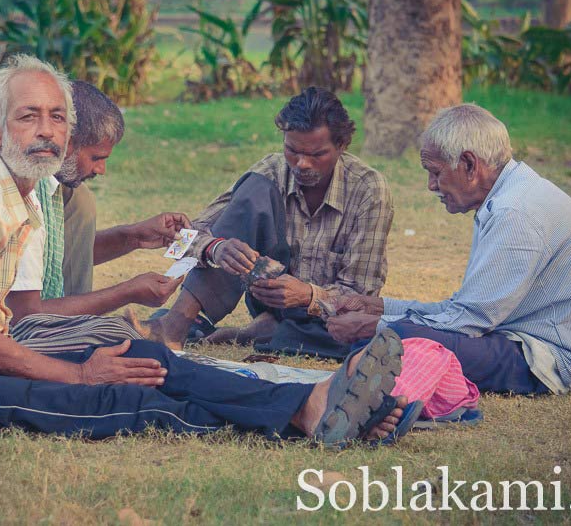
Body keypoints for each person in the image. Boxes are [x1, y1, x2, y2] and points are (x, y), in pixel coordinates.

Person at [0, 54, 405, 444]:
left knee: (142, 359)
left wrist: (137, 244)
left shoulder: (17, 189)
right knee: (127, 396)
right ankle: (301, 414)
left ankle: (309, 406)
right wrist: (80, 374)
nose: (47, 132)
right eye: (29, 117)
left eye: (57, 117)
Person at [324, 103, 571, 395]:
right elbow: (463, 309)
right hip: (520, 339)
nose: (430, 185)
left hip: (553, 362)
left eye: (435, 172)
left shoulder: (514, 213)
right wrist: (380, 306)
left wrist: (374, 325)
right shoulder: (508, 197)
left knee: (398, 337)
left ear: (470, 165)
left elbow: (467, 321)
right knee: (395, 334)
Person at [131, 87, 394, 359]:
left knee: (356, 336)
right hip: (268, 298)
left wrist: (307, 295)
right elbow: (183, 239)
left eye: (316, 155)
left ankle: (264, 331)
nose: (302, 164)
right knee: (255, 190)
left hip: (325, 318)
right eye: (292, 150)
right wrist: (215, 248)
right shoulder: (270, 170)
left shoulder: (369, 189)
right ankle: (175, 324)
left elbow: (361, 295)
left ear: (342, 146)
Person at [6, 80, 191, 324]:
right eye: (96, 157)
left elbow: (65, 253)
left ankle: (73, 328)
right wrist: (126, 292)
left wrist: (133, 237)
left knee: (81, 201)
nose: (101, 169)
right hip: (1, 332)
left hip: (35, 325)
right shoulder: (21, 191)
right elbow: (24, 317)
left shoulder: (60, 191)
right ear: (67, 142)